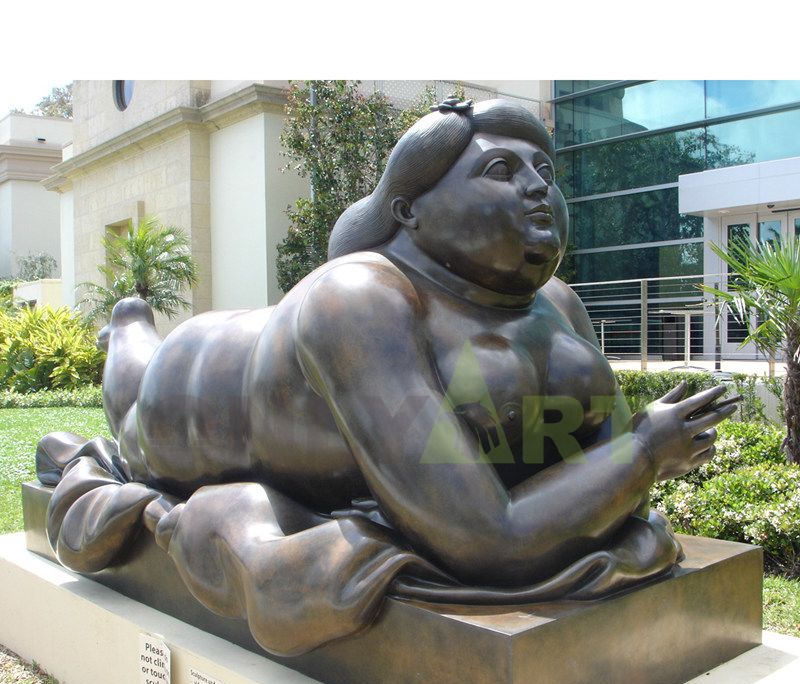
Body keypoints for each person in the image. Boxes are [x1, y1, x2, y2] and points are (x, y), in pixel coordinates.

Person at [38, 97, 736, 655]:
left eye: (544, 171)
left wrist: (633, 459)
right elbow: (487, 535)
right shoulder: (360, 301)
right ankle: (128, 326)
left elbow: (603, 485)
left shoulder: (557, 304)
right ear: (410, 211)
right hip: (194, 392)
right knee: (133, 408)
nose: (536, 187)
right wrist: (643, 455)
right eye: (500, 170)